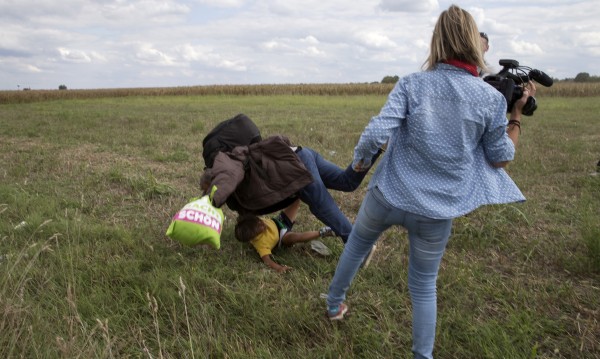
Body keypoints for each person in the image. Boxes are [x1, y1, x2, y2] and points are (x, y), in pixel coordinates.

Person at [325, 5, 536, 359]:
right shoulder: (489, 98)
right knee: (423, 286)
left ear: (436, 41)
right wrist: (516, 114)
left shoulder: (412, 83)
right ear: (474, 43)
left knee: (357, 245)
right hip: (437, 210)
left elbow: (378, 131)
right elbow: (501, 157)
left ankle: (333, 304)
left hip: (388, 194)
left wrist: (360, 163)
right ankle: (422, 355)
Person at [203, 134, 383, 244]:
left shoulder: (228, 169)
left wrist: (208, 202)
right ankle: (374, 147)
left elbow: (227, 179)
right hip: (300, 154)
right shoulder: (239, 198)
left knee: (320, 203)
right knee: (346, 182)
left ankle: (358, 246)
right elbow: (249, 214)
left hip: (294, 168)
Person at [234, 198, 335, 272]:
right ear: (254, 235)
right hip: (282, 237)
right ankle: (322, 232)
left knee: (295, 201)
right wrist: (279, 268)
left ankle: (300, 192)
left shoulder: (253, 222)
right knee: (295, 237)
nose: (262, 223)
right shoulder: (261, 244)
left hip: (279, 222)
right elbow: (267, 261)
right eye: (259, 227)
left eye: (259, 221)